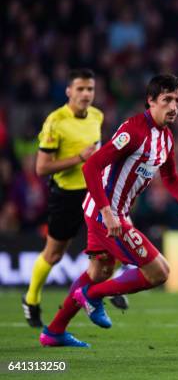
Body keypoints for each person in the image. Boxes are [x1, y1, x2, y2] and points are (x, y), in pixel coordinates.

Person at [39, 74, 178, 347]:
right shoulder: (133, 130)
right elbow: (91, 167)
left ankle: (53, 332)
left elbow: (170, 175)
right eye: (167, 100)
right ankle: (92, 295)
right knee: (159, 272)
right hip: (105, 214)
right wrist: (107, 212)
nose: (174, 106)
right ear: (151, 101)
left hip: (115, 213)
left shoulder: (166, 137)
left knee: (99, 271)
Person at [22, 68, 127, 328]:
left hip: (93, 192)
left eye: (90, 89)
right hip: (66, 196)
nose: (85, 94)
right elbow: (41, 168)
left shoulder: (97, 116)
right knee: (54, 254)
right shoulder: (55, 121)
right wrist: (78, 158)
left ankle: (109, 289)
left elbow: (97, 156)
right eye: (80, 89)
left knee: (110, 242)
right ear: (69, 91)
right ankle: (31, 299)